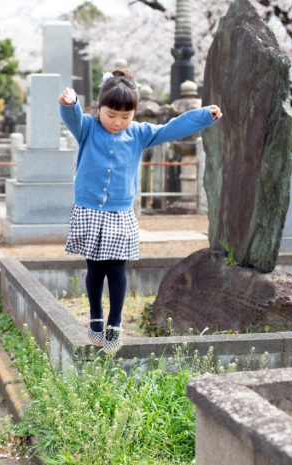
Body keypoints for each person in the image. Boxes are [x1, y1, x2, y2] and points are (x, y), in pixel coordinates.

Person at [58, 68, 222, 355]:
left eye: (126, 116)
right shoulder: (87, 127)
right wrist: (69, 102)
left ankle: (115, 323)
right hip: (89, 209)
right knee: (95, 268)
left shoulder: (139, 134)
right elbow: (71, 116)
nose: (118, 122)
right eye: (111, 115)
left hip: (121, 213)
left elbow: (172, 128)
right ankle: (96, 316)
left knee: (117, 268)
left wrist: (204, 115)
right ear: (100, 108)